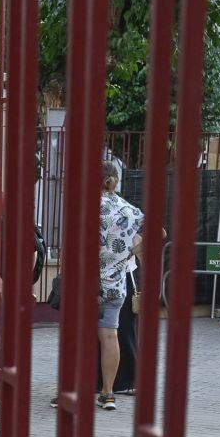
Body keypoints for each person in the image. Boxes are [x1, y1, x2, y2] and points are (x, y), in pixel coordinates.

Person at [93, 151, 143, 412]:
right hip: (116, 283)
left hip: (87, 283)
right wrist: (127, 254)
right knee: (110, 336)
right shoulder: (129, 210)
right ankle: (109, 392)